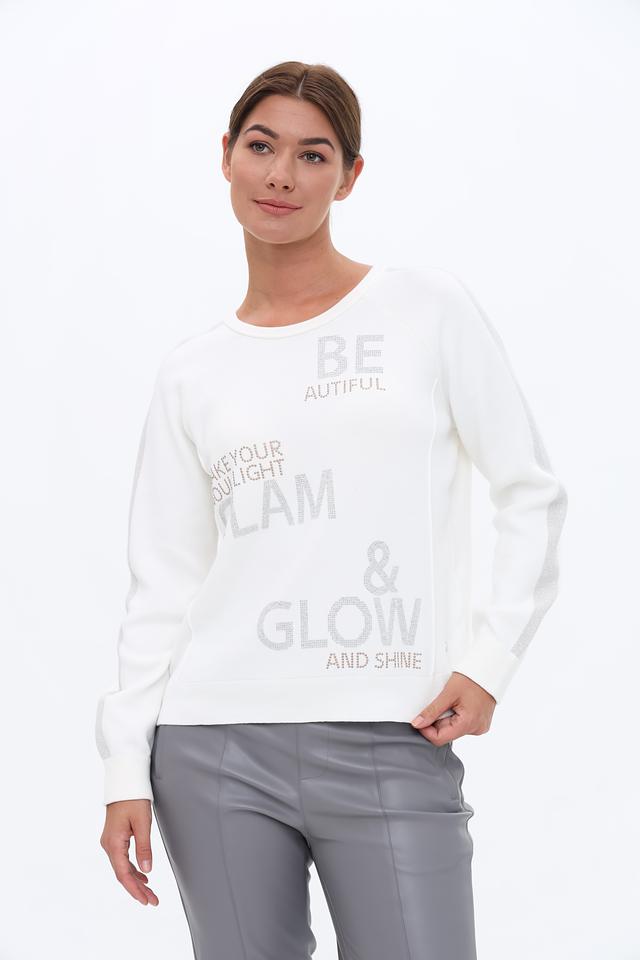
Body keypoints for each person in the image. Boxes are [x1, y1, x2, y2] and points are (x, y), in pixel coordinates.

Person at [96, 60, 568, 959]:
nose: (281, 175)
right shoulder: (193, 372)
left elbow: (530, 490)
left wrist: (490, 660)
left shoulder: (425, 309)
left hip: (392, 727)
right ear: (226, 155)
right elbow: (163, 583)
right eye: (261, 146)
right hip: (211, 746)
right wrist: (125, 764)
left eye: (313, 155)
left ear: (349, 176)